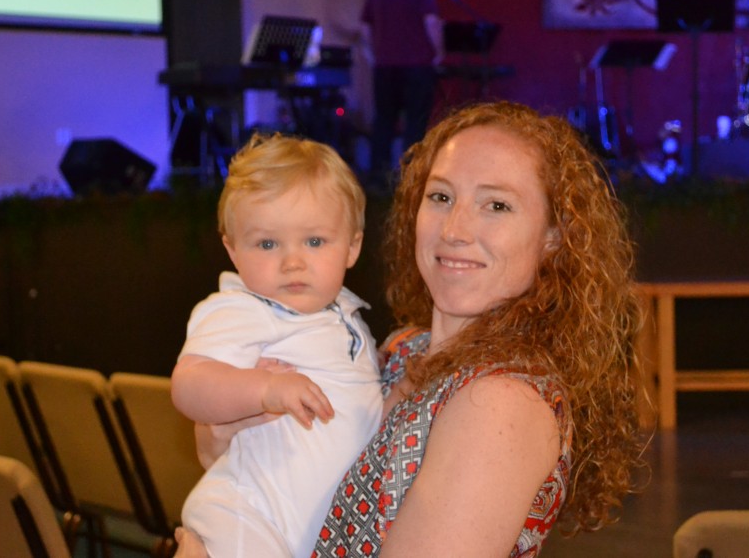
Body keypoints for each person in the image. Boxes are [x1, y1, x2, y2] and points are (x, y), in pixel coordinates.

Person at [183, 101, 643, 557]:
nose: (455, 229)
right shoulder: (401, 348)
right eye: (441, 197)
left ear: (552, 238)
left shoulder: (502, 399)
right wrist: (228, 426)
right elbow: (236, 452)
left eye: (497, 205)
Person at [170, 133, 384, 557]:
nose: (292, 261)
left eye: (315, 241)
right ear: (232, 249)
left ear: (353, 246)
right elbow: (189, 384)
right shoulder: (245, 308)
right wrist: (264, 390)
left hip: (303, 535)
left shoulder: (346, 317)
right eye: (267, 244)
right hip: (248, 518)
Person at [360, 0, 445, 189]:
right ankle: (410, 177)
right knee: (415, 123)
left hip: (385, 67)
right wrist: (438, 52)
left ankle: (379, 176)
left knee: (384, 121)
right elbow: (431, 22)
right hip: (417, 66)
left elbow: (365, 27)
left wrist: (372, 54)